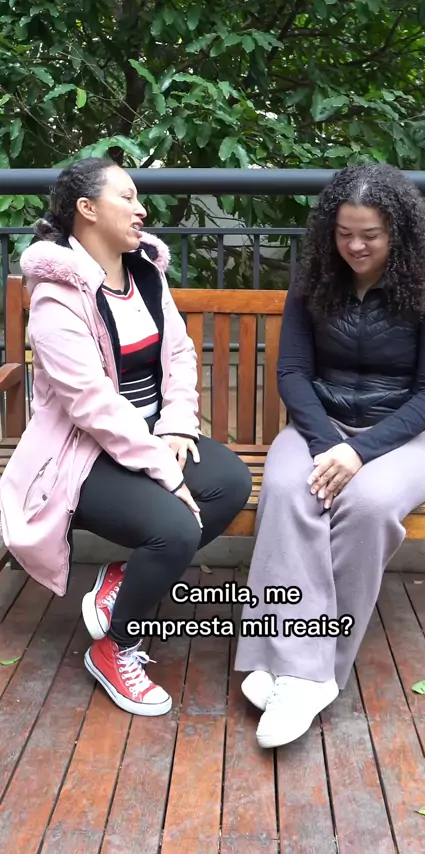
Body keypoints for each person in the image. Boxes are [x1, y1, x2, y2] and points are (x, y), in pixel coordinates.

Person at [0, 157, 252, 717]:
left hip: (149, 436)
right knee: (176, 527)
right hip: (80, 454)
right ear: (87, 209)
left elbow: (179, 352)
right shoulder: (57, 298)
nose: (142, 211)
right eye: (128, 197)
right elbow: (93, 406)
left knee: (231, 482)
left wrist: (177, 424)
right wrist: (165, 470)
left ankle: (122, 578)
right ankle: (115, 649)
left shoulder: (145, 274)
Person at [234, 163, 425, 749]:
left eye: (370, 235)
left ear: (397, 232)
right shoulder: (313, 283)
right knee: (289, 491)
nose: (355, 246)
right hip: (320, 427)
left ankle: (309, 675)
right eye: (344, 233)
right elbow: (292, 372)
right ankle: (293, 668)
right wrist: (326, 444)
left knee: (367, 505)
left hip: (405, 438)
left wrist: (358, 453)